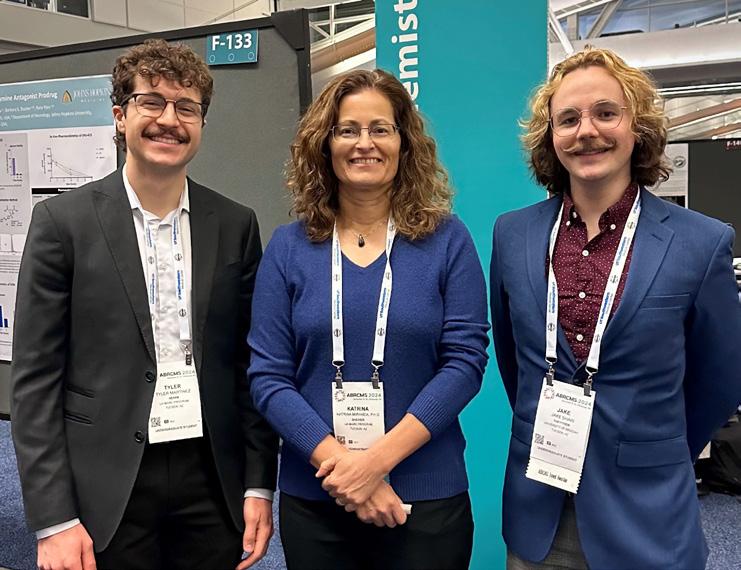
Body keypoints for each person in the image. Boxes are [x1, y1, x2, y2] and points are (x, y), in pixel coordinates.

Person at [11, 39, 278, 570]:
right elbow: (35, 382)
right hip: (106, 481)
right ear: (120, 116)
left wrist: (258, 484)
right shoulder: (63, 224)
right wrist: (54, 519)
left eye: (186, 107)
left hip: (211, 477)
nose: (169, 120)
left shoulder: (235, 224)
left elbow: (248, 367)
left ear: (201, 123)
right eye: (151, 102)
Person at [490, 46, 741, 570]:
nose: (587, 131)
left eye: (606, 113)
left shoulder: (700, 242)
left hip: (648, 512)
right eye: (568, 119)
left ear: (637, 126)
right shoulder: (513, 235)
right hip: (541, 509)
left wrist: (655, 447)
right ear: (550, 136)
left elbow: (720, 379)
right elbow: (516, 365)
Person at [247, 69, 490, 570]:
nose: (365, 143)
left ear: (404, 142)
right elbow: (268, 377)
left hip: (425, 498)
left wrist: (374, 464)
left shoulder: (448, 240)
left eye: (381, 128)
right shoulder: (288, 248)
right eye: (347, 130)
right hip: (318, 498)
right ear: (325, 144)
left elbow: (465, 363)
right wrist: (345, 469)